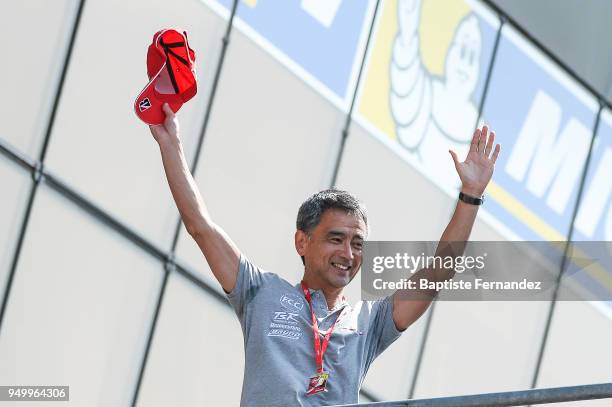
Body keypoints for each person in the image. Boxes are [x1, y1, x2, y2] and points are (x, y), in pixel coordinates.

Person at [149, 103, 501, 406]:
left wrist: (470, 195)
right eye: (336, 239)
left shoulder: (371, 321)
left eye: (358, 243)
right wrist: (171, 143)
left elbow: (439, 272)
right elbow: (200, 226)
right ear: (302, 242)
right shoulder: (260, 292)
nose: (348, 253)